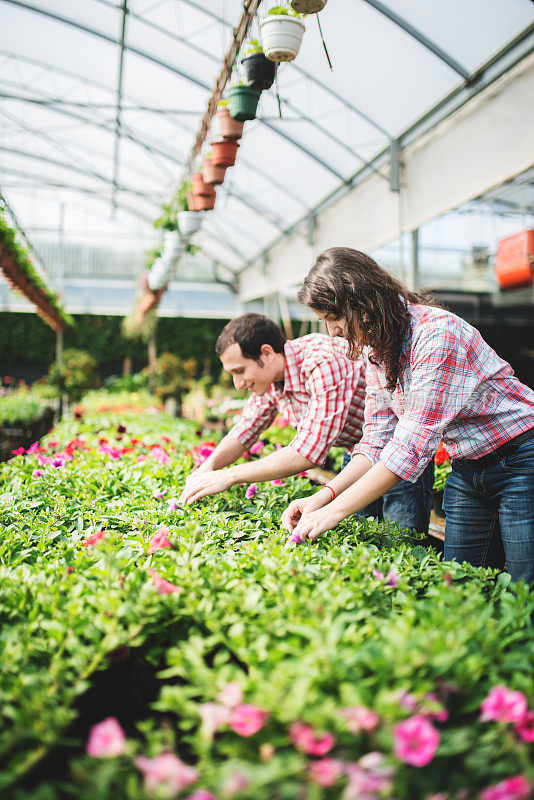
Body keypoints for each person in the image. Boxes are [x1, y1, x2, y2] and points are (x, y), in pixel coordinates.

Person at [281, 247, 534, 589]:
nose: (333, 333)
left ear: (362, 303)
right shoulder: (377, 350)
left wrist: (334, 512)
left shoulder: (437, 335)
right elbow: (375, 441)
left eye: (333, 318)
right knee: (458, 588)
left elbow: (407, 451)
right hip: (469, 467)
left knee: (525, 587)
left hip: (522, 458)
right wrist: (323, 496)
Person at [179, 313, 433, 535]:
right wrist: (207, 469)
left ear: (266, 354)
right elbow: (245, 430)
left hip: (402, 454)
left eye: (239, 371)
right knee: (362, 534)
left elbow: (308, 453)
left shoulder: (321, 361)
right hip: (359, 455)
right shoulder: (270, 382)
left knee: (402, 540)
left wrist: (230, 475)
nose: (238, 384)